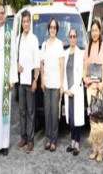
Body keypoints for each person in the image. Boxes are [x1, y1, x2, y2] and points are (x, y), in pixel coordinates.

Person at [0, 5, 18, 156]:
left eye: (2, 13)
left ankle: (5, 144)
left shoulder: (10, 32)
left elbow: (13, 55)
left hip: (6, 78)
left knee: (5, 112)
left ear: (5, 15)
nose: (0, 16)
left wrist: (13, 78)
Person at [83, 20, 103, 162]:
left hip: (101, 90)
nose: (94, 32)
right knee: (92, 120)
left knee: (101, 121)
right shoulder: (87, 47)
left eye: (96, 30)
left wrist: (102, 82)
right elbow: (85, 69)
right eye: (92, 30)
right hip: (90, 89)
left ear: (100, 31)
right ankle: (94, 149)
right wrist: (85, 79)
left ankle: (101, 151)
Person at [13, 10, 40, 154]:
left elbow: (37, 63)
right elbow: (14, 58)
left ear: (30, 22)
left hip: (30, 80)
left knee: (31, 112)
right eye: (23, 22)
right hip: (20, 81)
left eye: (27, 21)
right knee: (22, 111)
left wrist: (35, 80)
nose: (25, 24)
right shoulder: (18, 39)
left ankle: (30, 140)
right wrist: (16, 64)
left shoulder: (34, 39)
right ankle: (23, 138)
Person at [40, 18, 64, 152]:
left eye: (55, 27)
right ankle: (48, 138)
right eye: (51, 27)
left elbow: (61, 65)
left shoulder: (59, 44)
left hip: (56, 85)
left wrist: (61, 84)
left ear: (57, 30)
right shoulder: (44, 44)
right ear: (48, 29)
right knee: (47, 113)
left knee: (55, 114)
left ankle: (54, 140)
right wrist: (42, 80)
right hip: (47, 84)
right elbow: (42, 63)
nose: (53, 29)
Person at [63, 28, 85, 156]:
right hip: (68, 91)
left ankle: (77, 142)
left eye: (74, 36)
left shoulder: (80, 53)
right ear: (68, 38)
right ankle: (72, 141)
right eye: (70, 36)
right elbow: (64, 73)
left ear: (77, 38)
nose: (72, 38)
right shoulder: (65, 54)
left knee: (77, 118)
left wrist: (73, 89)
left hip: (76, 90)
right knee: (70, 118)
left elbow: (80, 74)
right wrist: (66, 89)